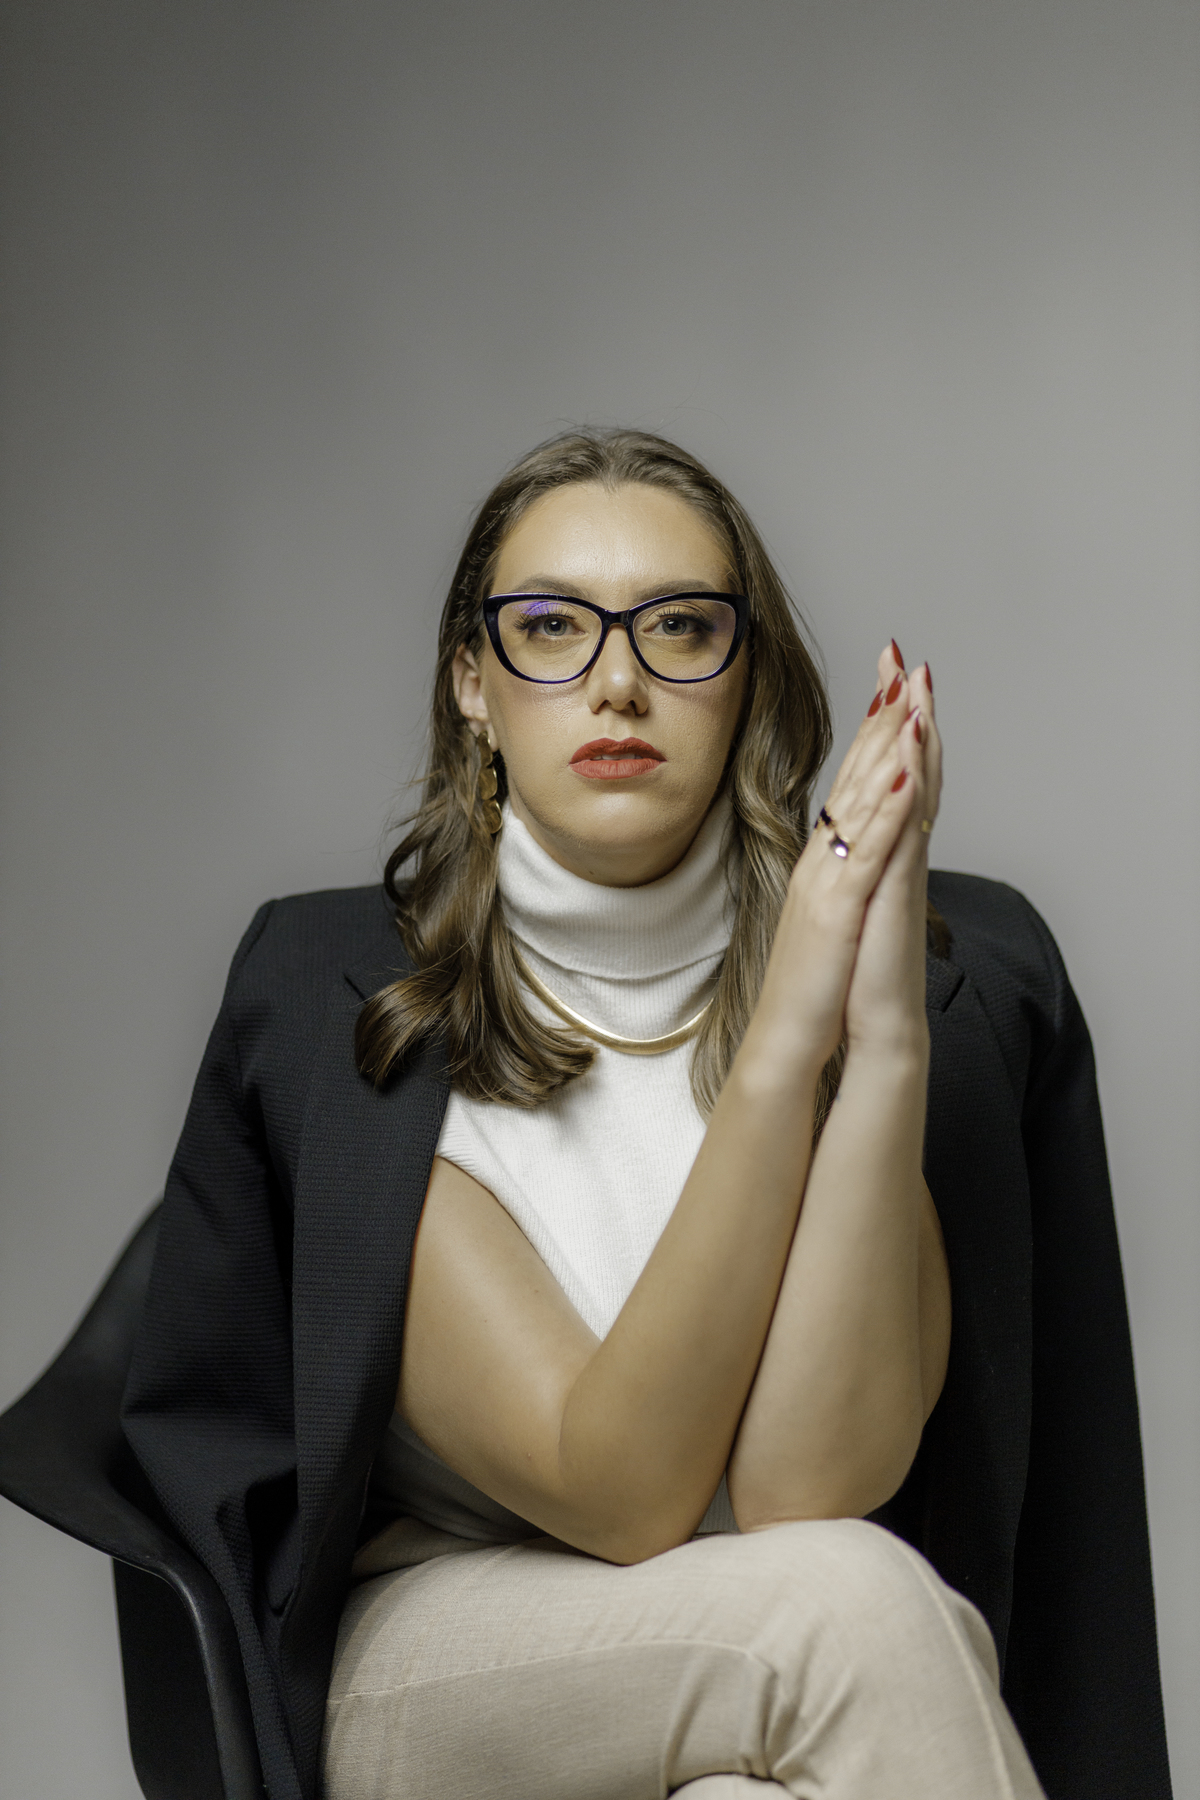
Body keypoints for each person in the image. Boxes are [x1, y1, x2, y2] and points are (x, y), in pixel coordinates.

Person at [122, 430, 1171, 1800]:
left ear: (747, 681)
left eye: (680, 628)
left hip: (761, 1636)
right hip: (448, 1662)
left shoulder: (930, 980)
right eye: (551, 628)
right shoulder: (351, 1005)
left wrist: (883, 1040)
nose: (616, 681)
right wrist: (789, 1028)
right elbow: (621, 1491)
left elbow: (803, 1493)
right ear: (473, 683)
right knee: (852, 1611)